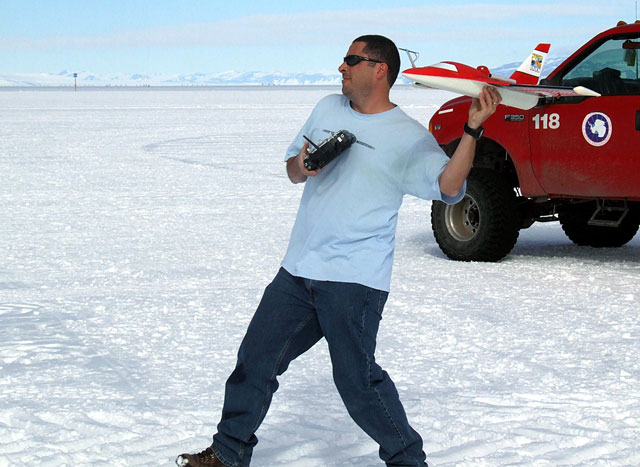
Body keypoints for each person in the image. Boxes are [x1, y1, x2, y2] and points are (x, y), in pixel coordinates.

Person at [177, 35, 501, 467]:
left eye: (351, 60)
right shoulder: (328, 108)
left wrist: (472, 129)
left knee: (357, 383)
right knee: (255, 360)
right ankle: (227, 453)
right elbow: (293, 169)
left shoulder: (407, 137)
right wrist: (306, 165)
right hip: (298, 269)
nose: (341, 68)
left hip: (354, 278)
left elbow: (449, 188)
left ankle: (409, 461)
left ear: (380, 68)